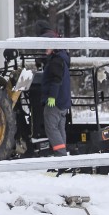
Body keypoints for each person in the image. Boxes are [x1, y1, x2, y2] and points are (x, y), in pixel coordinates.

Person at [40, 26, 71, 157]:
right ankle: (63, 155)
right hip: (63, 102)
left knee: (52, 129)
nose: (43, 49)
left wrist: (51, 97)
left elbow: (55, 80)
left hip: (55, 102)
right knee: (59, 128)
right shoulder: (62, 58)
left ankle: (61, 155)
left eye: (46, 46)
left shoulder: (55, 61)